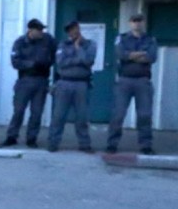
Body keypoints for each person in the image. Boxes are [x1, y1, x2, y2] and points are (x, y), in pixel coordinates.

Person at [106, 14, 157, 155]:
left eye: (139, 21)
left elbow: (151, 57)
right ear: (130, 23)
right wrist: (140, 54)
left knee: (145, 115)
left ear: (143, 23)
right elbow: (121, 55)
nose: (137, 23)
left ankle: (146, 145)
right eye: (134, 21)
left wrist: (131, 56)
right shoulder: (121, 38)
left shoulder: (150, 39)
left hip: (143, 81)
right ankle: (112, 144)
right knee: (118, 114)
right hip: (124, 81)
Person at [5, 18, 56, 148]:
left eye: (42, 29)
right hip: (25, 79)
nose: (41, 32)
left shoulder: (48, 40)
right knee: (19, 110)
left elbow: (55, 56)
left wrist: (47, 64)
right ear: (30, 30)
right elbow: (15, 61)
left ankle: (31, 138)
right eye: (38, 30)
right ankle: (12, 136)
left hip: (42, 80)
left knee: (37, 112)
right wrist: (31, 64)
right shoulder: (20, 42)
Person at [48, 21, 95, 153]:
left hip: (82, 84)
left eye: (75, 29)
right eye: (69, 30)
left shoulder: (90, 44)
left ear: (79, 29)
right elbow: (61, 63)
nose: (73, 32)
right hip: (64, 83)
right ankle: (53, 143)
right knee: (58, 116)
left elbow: (88, 61)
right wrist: (78, 59)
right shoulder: (62, 45)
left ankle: (84, 144)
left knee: (82, 117)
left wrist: (78, 48)